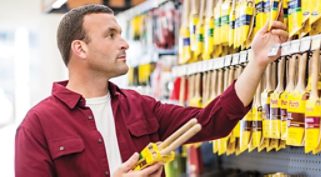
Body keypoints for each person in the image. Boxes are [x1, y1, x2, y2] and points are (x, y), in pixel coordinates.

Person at [15, 4, 288, 177]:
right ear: (80, 48)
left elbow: (213, 121)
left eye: (121, 34)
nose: (124, 43)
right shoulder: (38, 124)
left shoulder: (140, 107)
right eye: (111, 35)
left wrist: (257, 61)